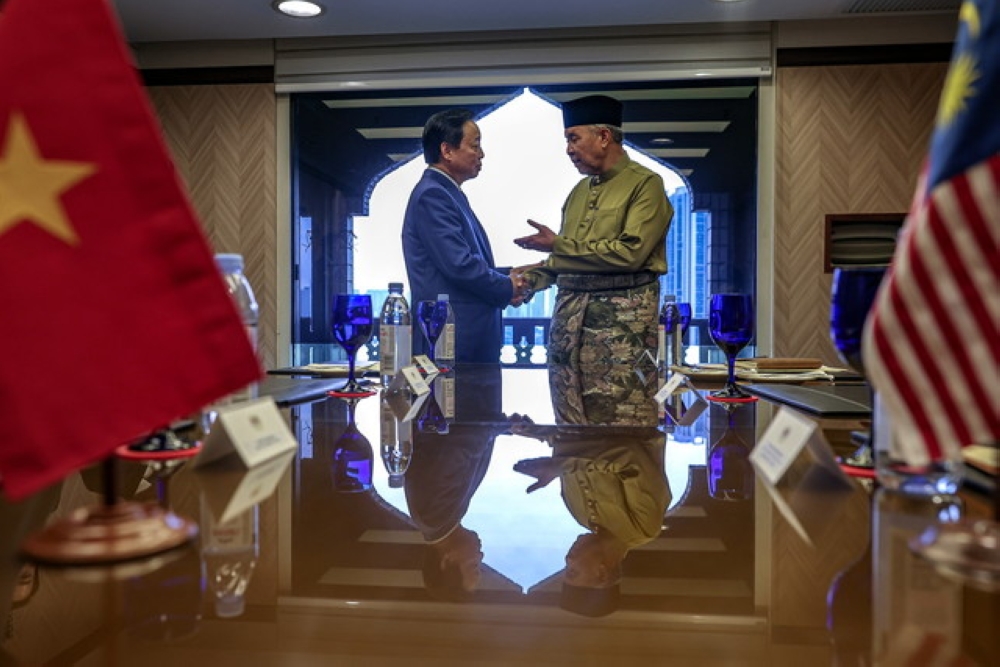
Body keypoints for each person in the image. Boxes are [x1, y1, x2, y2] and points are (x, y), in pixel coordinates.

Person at [514, 94, 673, 366]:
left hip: (622, 336)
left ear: (603, 137)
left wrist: (557, 245)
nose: (568, 149)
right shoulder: (578, 192)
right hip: (568, 334)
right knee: (567, 408)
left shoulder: (646, 184)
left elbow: (630, 254)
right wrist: (527, 280)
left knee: (624, 408)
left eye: (573, 138)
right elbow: (571, 261)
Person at [402, 108, 528, 364]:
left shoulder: (448, 192)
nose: (481, 154)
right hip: (450, 341)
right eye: (475, 145)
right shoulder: (433, 194)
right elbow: (459, 266)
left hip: (464, 339)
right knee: (455, 405)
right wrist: (506, 286)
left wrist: (510, 274)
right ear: (447, 151)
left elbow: (462, 262)